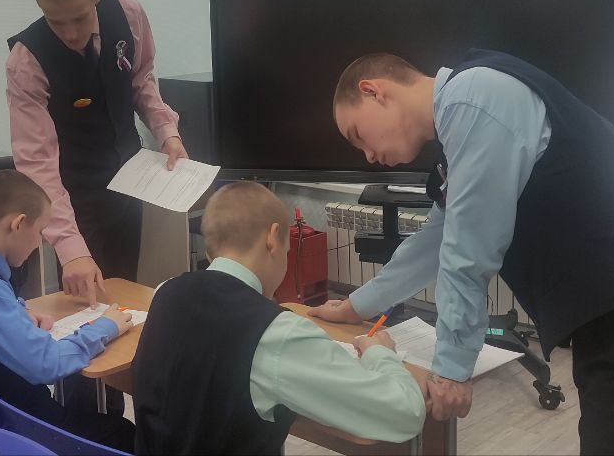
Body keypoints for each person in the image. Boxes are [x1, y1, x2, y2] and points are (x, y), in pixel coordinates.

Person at [312, 49, 614, 454]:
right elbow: (433, 242)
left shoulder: (474, 100)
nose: (368, 155)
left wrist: (452, 370)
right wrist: (357, 305)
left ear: (374, 91)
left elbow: (468, 252)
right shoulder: (460, 131)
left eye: (358, 135)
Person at [6, 0, 186, 413]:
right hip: (72, 198)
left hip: (129, 182)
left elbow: (142, 80)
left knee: (125, 310)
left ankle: (123, 420)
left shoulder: (129, 15)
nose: (69, 33)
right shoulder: (27, 60)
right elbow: (36, 163)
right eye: (56, 22)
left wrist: (166, 131)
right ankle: (80, 423)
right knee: (81, 316)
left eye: (79, 18)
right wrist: (71, 248)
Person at [132, 182, 426, 455]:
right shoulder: (276, 333)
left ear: (211, 250)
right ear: (273, 238)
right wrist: (380, 354)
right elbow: (404, 414)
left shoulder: (164, 293)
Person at [0, 170, 135, 452]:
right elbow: (47, 364)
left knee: (100, 426)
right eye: (39, 232)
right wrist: (106, 326)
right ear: (18, 224)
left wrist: (17, 311)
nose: (38, 244)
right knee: (123, 435)